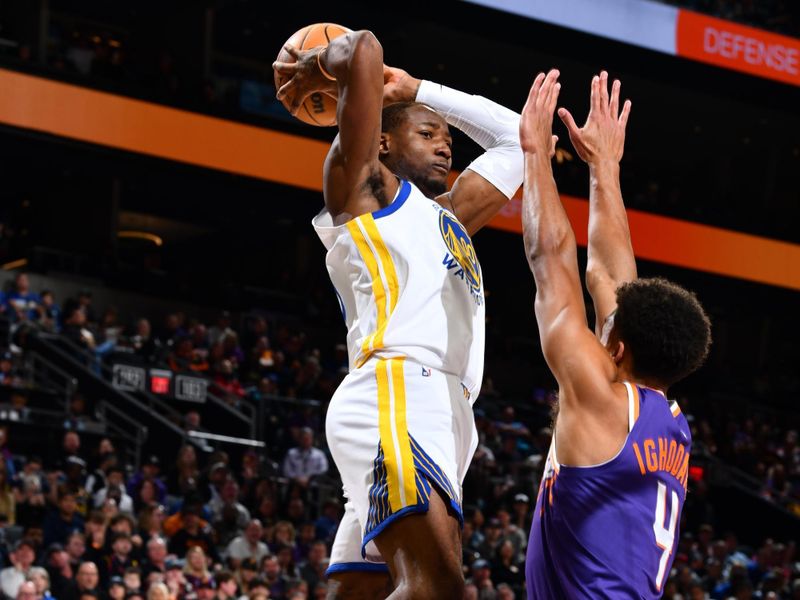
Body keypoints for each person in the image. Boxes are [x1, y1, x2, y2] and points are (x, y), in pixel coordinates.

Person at [273, 26, 523, 598]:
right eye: (428, 131)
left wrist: (422, 90)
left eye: (446, 136)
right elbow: (362, 47)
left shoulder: (449, 217)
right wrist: (321, 62)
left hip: (446, 412)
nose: (446, 143)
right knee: (440, 590)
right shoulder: (363, 191)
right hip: (398, 391)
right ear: (381, 144)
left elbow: (519, 140)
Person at [518, 70, 712, 598]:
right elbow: (610, 276)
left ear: (617, 347)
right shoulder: (671, 425)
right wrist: (604, 168)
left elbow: (551, 260)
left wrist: (536, 156)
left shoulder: (601, 398)